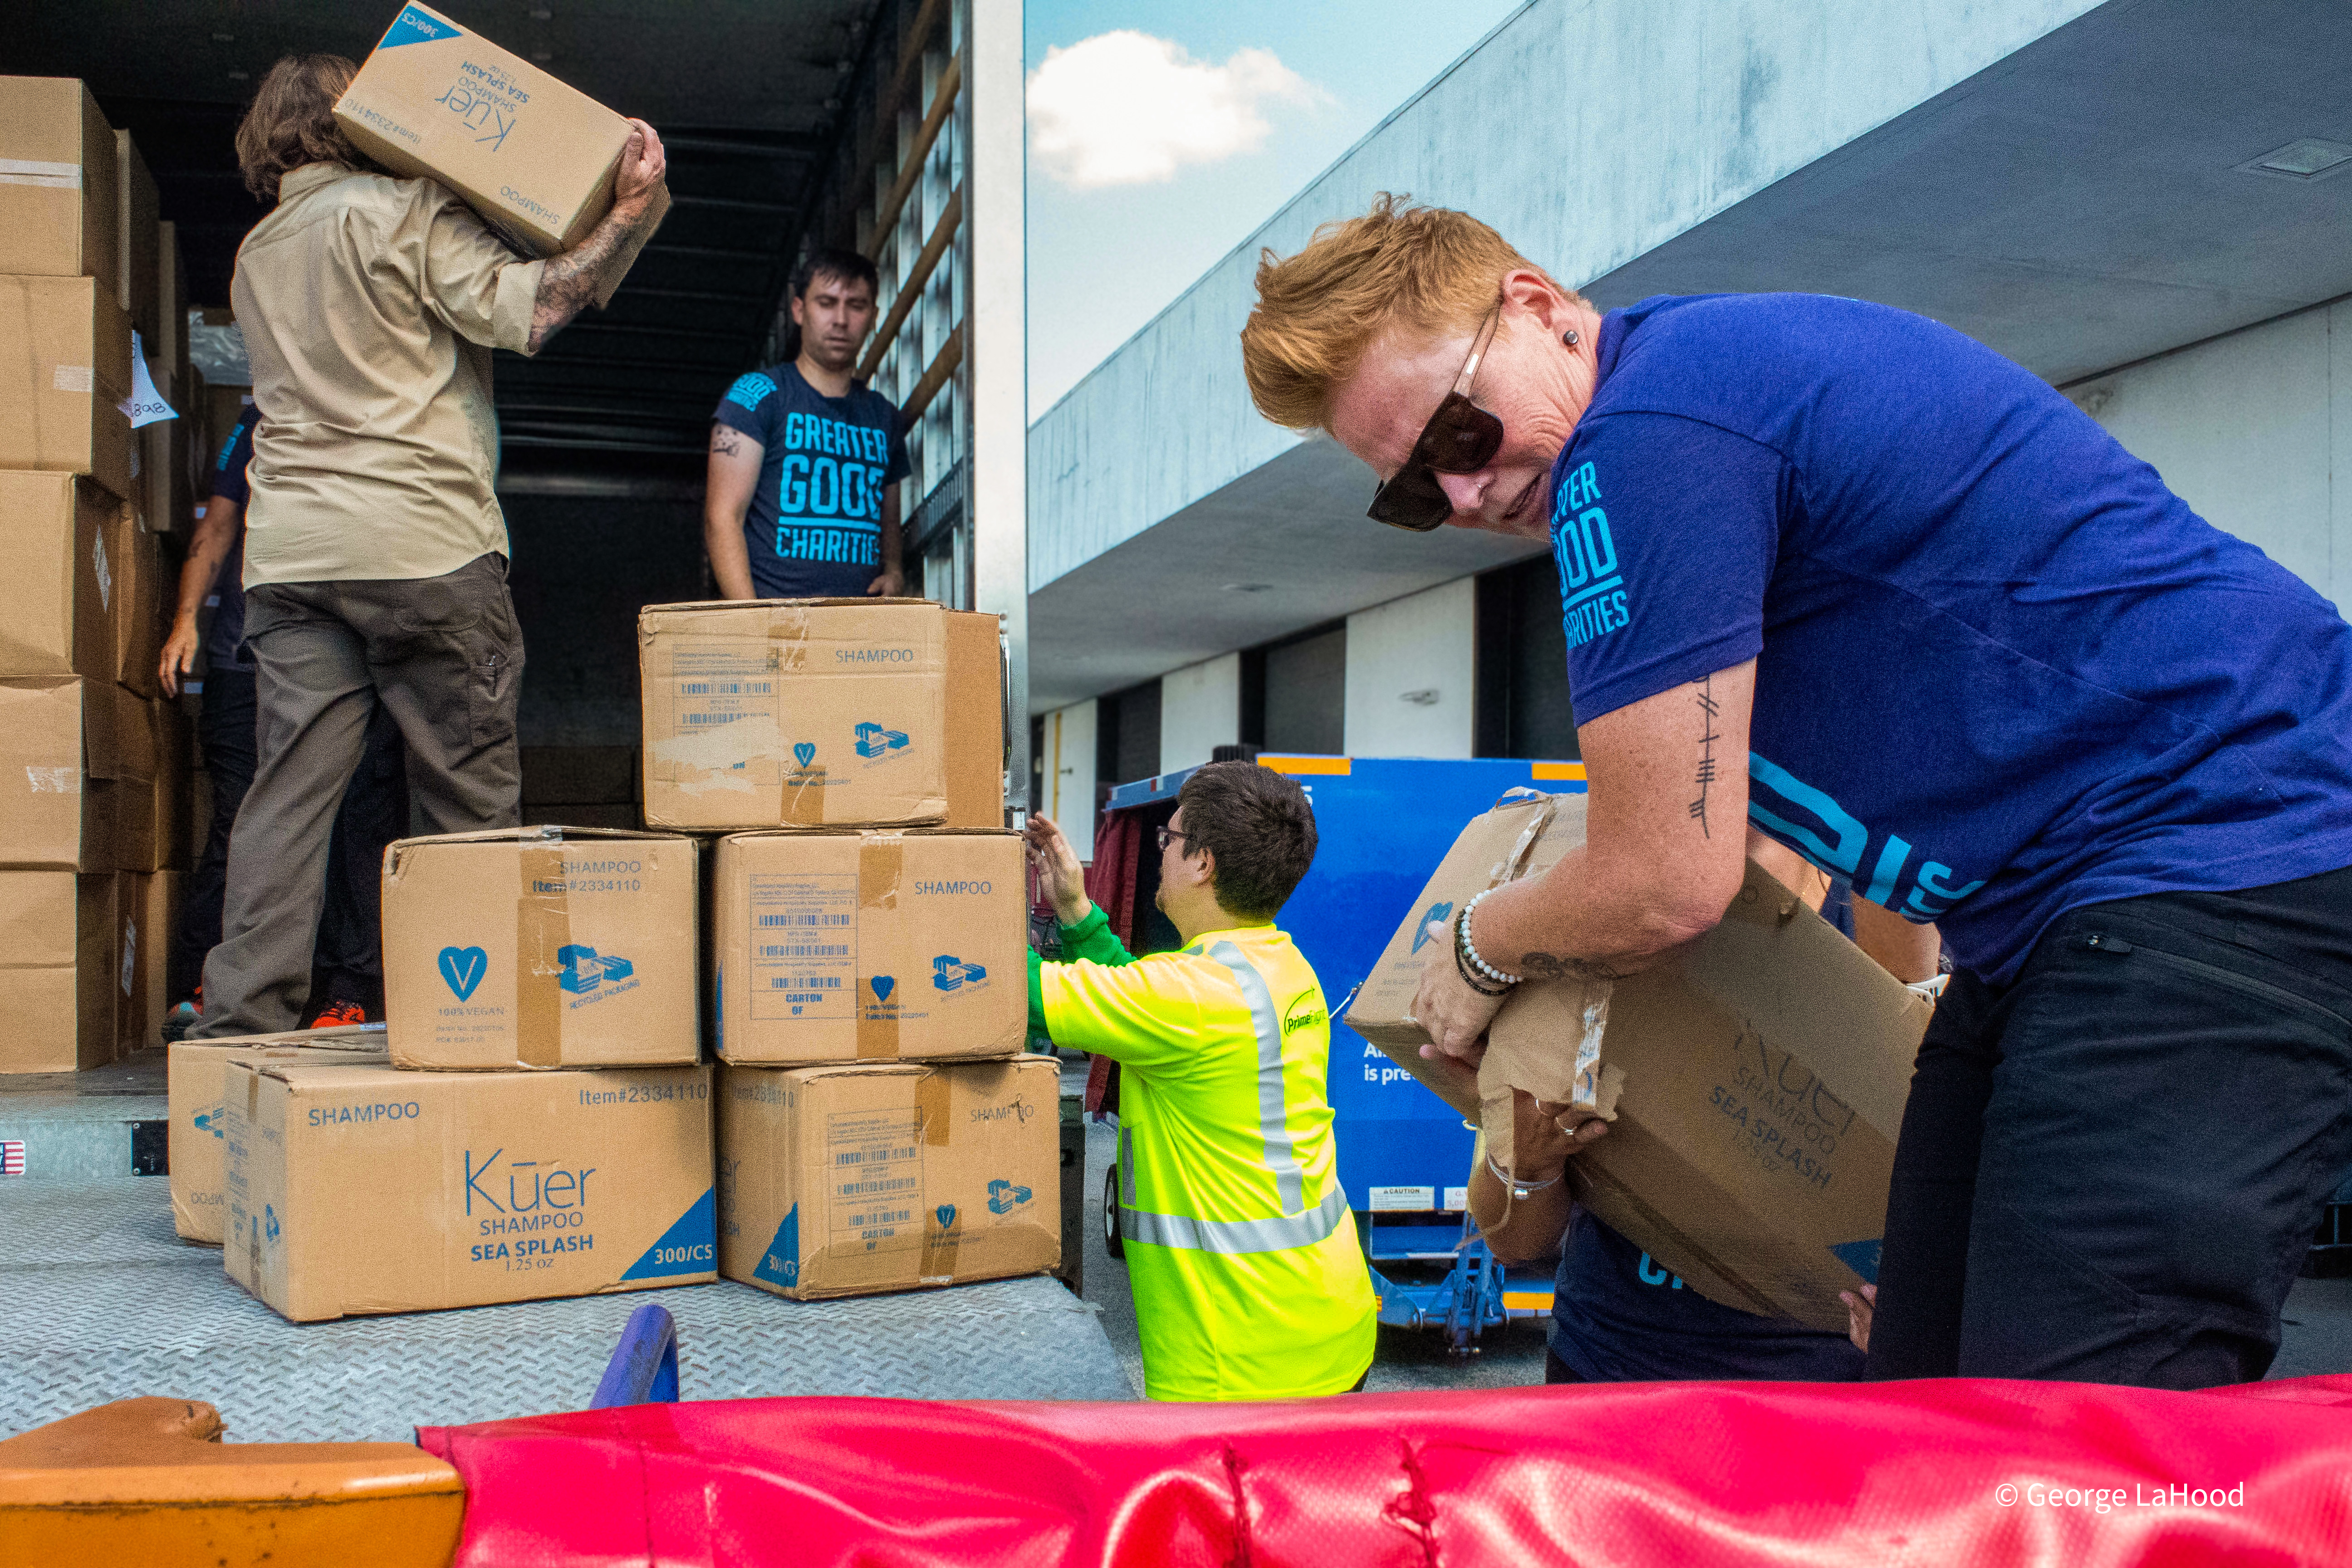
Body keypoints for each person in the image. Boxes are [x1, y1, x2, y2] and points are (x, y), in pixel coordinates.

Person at [1239, 196, 2352, 1390]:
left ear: (1537, 306)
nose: (1460, 500)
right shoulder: (1700, 414)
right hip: (2059, 921)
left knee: (2071, 1441)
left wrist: (1478, 944)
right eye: (1413, 493)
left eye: (1457, 437)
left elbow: (1665, 880)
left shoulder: (1648, 433)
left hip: (2219, 861)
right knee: (1928, 1377)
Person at [189, 55, 666, 1041]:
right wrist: (625, 215)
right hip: (422, 545)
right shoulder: (401, 212)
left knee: (287, 799)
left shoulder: (257, 251)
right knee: (463, 794)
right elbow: (531, 308)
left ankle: (240, 1022)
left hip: (292, 559)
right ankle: (477, 1017)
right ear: (360, 118)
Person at [1467, 838, 1940, 1383]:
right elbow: (1513, 1242)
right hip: (1614, 1367)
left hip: (1814, 1386)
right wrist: (1531, 1164)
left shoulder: (1877, 899)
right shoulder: (1590, 898)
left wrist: (1917, 1317)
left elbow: (1914, 1145)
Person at [1024, 763, 1377, 1401]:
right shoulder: (1279, 967)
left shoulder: (1196, 997)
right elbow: (1145, 1010)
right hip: (1329, 1319)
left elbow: (1011, 989)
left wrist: (942, 899)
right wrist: (1077, 910)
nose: (1161, 854)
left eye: (1169, 840)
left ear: (1203, 863)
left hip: (1243, 1363)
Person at [161, 402, 409, 1031]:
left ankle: (348, 992)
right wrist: (186, 618)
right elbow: (217, 527)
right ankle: (205, 981)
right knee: (247, 819)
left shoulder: (382, 401)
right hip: (249, 660)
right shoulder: (257, 416)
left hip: (355, 661)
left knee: (358, 822)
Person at [704, 247, 909, 601]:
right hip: (775, 626)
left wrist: (894, 571)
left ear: (874, 316)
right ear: (799, 310)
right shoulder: (756, 396)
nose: (841, 319)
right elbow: (722, 518)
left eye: (856, 306)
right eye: (826, 303)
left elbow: (888, 521)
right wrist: (751, 624)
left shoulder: (884, 416)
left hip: (857, 634)